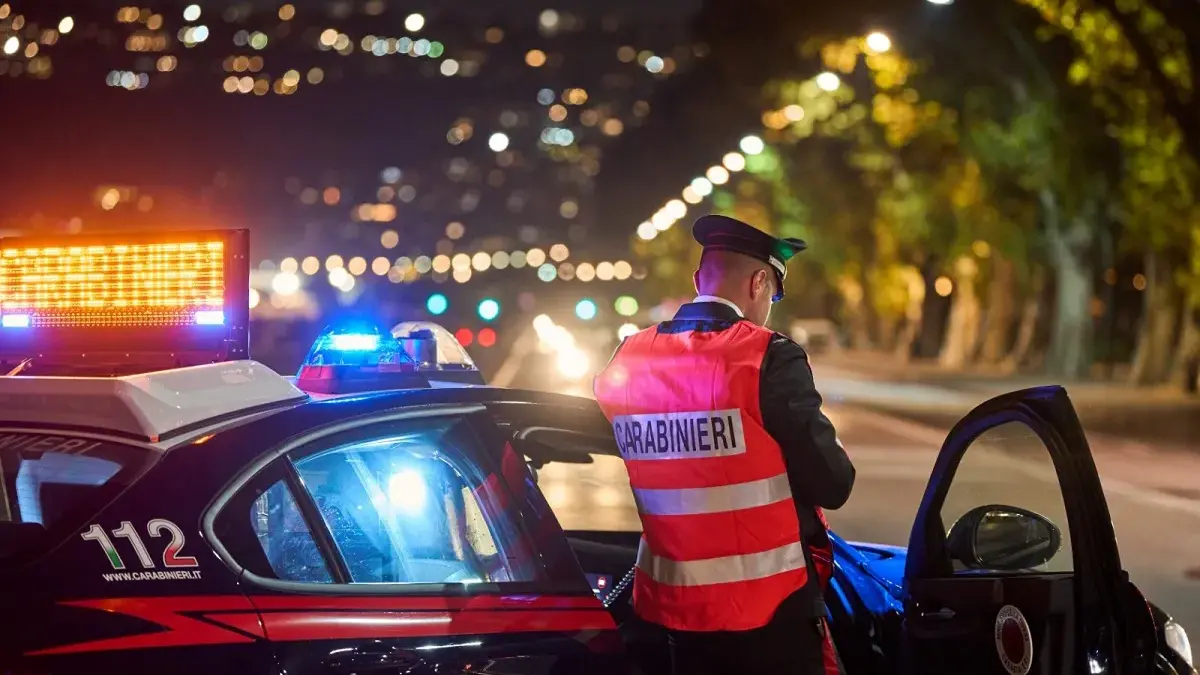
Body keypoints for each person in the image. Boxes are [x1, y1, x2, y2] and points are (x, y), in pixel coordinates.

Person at [593, 214, 855, 675]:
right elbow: (833, 484)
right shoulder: (766, 356)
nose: (769, 305)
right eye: (773, 292)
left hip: (673, 618)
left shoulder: (628, 358)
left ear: (698, 280)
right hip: (771, 616)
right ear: (758, 283)